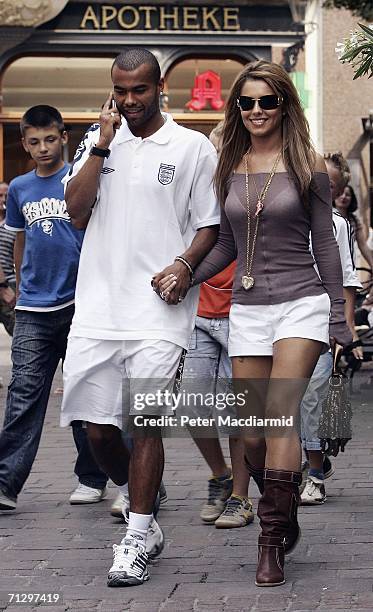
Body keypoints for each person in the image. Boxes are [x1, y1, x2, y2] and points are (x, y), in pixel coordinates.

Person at [155, 60, 352, 587]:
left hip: (301, 303)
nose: (258, 110)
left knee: (278, 415)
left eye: (268, 101)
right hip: (248, 307)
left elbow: (325, 243)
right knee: (251, 430)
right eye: (247, 102)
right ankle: (283, 508)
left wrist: (338, 314)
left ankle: (271, 539)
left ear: (285, 105)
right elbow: (224, 244)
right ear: (236, 109)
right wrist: (186, 273)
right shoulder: (227, 165)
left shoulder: (307, 164)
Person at [60, 48, 220, 587]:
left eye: (140, 90)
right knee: (99, 431)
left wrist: (183, 265)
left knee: (145, 423)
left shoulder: (192, 146)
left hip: (157, 312)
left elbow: (209, 224)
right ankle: (138, 495)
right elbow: (75, 211)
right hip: (98, 309)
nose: (129, 100)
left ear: (159, 89)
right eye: (120, 90)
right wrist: (102, 146)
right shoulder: (97, 141)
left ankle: (139, 533)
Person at [0, 105, 108, 512]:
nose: (43, 148)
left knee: (84, 393)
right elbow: (15, 238)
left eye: (50, 139)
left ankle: (95, 477)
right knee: (23, 394)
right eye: (34, 142)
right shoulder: (21, 188)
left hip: (82, 303)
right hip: (33, 308)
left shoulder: (80, 177)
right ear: (25, 144)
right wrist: (13, 284)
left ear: (63, 137)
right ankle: (5, 483)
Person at [185, 123, 253, 529]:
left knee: (239, 413)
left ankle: (241, 498)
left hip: (241, 313)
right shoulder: (196, 193)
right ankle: (220, 476)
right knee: (192, 405)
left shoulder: (250, 192)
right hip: (197, 313)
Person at [300, 153, 362, 505]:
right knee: (286, 397)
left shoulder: (337, 225)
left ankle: (314, 474)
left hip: (322, 322)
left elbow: (347, 279)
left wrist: (346, 329)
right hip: (285, 318)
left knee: (312, 397)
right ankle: (314, 459)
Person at [334, 182, 373, 270]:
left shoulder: (354, 220)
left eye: (347, 195)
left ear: (352, 199)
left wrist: (372, 264)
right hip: (330, 264)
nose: (343, 197)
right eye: (340, 194)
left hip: (348, 265)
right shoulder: (327, 217)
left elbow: (363, 245)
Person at [0, 181, 16, 336]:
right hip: (3, 286)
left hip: (10, 283)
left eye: (6, 196)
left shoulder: (13, 224)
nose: (3, 199)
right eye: (0, 195)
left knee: (17, 330)